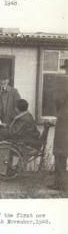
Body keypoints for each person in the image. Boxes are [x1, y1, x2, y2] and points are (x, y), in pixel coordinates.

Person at [48, 61, 68, 191]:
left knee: (60, 152)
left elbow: (59, 100)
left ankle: (60, 184)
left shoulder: (64, 81)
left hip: (65, 119)